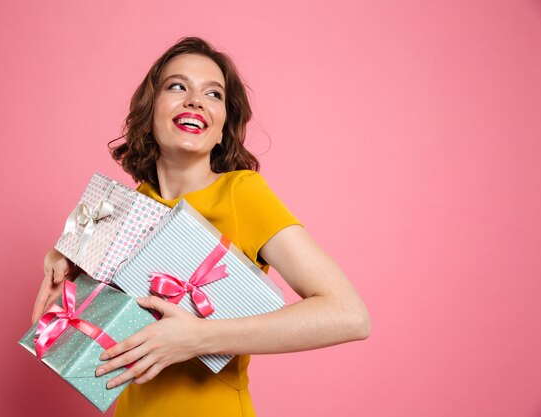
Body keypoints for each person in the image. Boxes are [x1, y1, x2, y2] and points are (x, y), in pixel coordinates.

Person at [32, 37, 371, 417]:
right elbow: (89, 341)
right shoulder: (126, 208)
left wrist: (198, 337)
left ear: (223, 125)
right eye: (177, 86)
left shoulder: (243, 194)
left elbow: (349, 315)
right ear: (150, 109)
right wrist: (69, 253)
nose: (195, 100)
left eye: (213, 94)